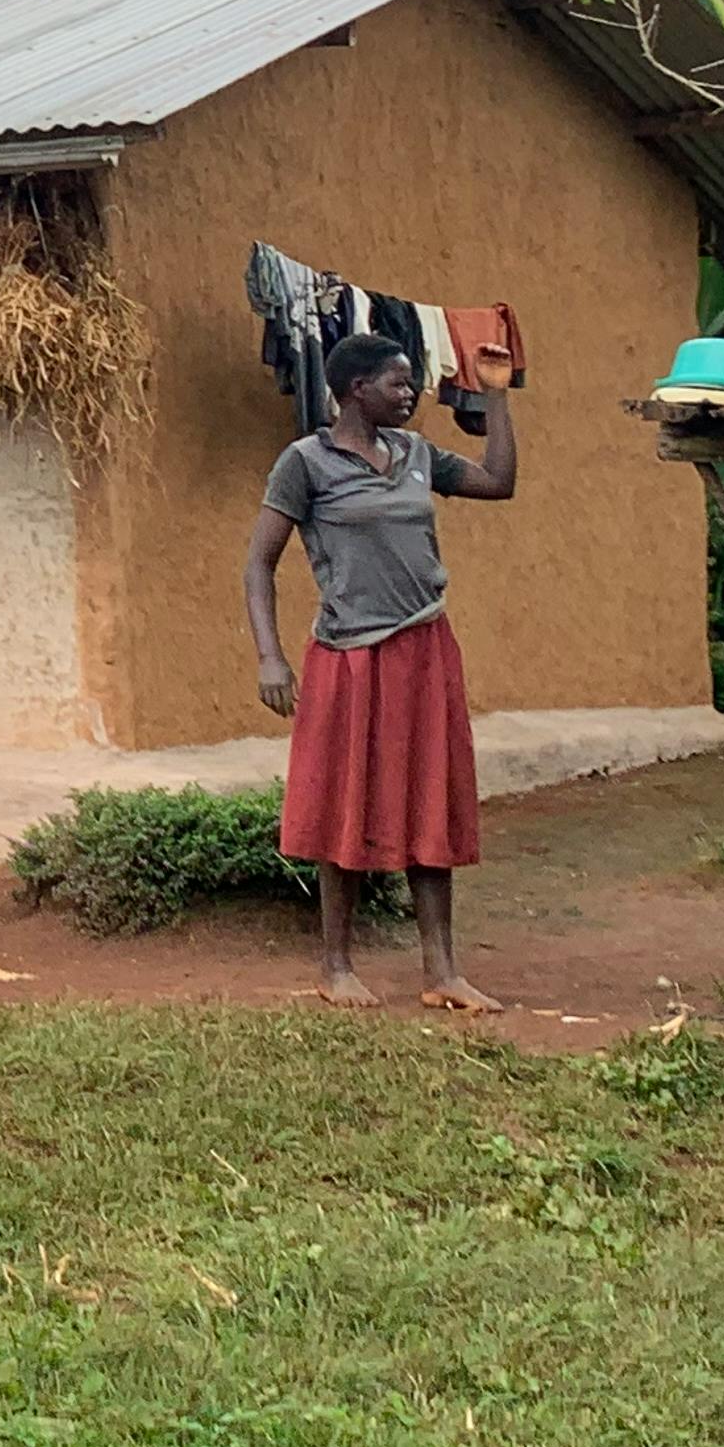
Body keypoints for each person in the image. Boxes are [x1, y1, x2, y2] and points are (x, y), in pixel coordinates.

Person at [242, 327, 516, 1012]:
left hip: (425, 649)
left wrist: (498, 399)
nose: (410, 394)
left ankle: (443, 972)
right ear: (356, 391)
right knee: (346, 806)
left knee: (433, 800)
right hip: (349, 656)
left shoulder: (416, 453)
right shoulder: (304, 462)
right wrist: (270, 656)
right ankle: (336, 966)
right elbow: (259, 564)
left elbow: (499, 483)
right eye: (397, 383)